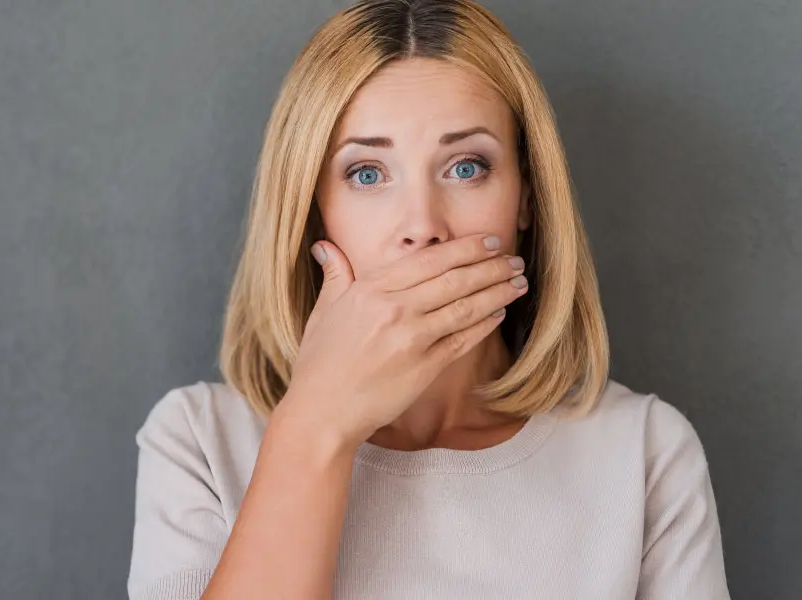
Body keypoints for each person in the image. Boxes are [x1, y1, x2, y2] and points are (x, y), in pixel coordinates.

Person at [126, 1, 731, 598]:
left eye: (466, 167)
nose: (422, 225)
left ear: (526, 197)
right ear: (312, 215)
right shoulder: (199, 443)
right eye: (367, 173)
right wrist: (315, 426)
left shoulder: (644, 453)